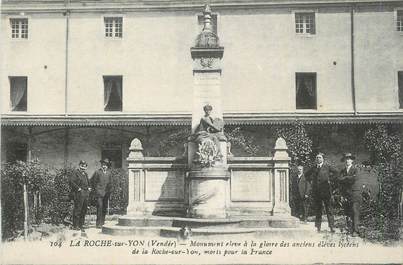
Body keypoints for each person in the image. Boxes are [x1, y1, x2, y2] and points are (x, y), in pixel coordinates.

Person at [306, 152, 338, 233]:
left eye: (319, 157)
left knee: (329, 210)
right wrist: (312, 183)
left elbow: (336, 172)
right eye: (317, 157)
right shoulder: (313, 167)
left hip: (326, 191)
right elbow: (306, 175)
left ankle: (332, 227)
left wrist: (330, 180)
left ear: (323, 159)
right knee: (318, 210)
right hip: (317, 192)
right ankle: (317, 227)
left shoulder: (327, 166)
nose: (318, 159)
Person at [338, 153, 361, 237]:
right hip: (345, 194)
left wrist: (345, 178)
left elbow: (353, 179)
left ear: (352, 160)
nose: (347, 160)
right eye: (346, 159)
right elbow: (339, 180)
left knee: (355, 211)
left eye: (349, 159)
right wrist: (341, 195)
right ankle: (349, 229)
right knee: (347, 212)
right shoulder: (343, 170)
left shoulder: (356, 169)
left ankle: (356, 230)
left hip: (355, 193)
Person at [91, 158, 112, 228]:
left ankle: (102, 222)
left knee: (104, 208)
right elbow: (92, 182)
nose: (104, 166)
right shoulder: (97, 172)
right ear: (101, 165)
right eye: (103, 165)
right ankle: (98, 224)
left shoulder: (109, 173)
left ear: (108, 166)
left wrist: (109, 192)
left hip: (106, 194)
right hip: (99, 193)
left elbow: (110, 183)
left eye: (106, 165)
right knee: (99, 207)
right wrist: (96, 190)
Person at [70, 160, 91, 231]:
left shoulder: (85, 174)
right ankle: (75, 225)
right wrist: (78, 188)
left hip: (85, 194)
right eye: (82, 166)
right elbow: (71, 181)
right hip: (79, 194)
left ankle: (81, 225)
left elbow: (88, 182)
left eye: (84, 166)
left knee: (84, 210)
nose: (83, 168)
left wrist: (89, 187)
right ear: (79, 166)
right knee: (78, 210)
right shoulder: (75, 173)